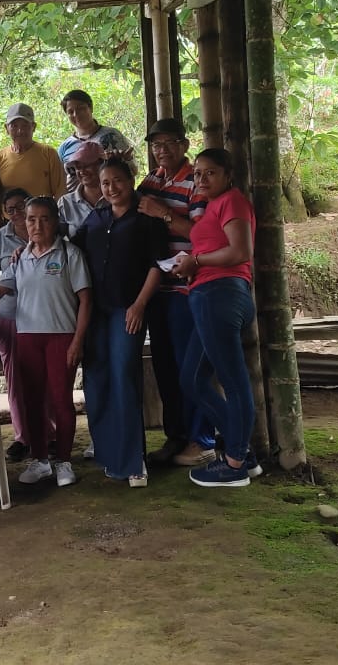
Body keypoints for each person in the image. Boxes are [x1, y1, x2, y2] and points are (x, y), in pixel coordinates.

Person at [0, 196, 91, 489]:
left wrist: (77, 341)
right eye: (31, 219)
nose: (37, 225)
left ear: (55, 222)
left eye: (44, 219)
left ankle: (63, 461)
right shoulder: (20, 258)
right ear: (23, 222)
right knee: (31, 401)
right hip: (27, 337)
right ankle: (40, 460)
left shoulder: (70, 254)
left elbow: (85, 300)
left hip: (61, 336)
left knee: (60, 400)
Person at [73, 158, 169, 488]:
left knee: (124, 376)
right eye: (105, 183)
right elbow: (71, 250)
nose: (112, 188)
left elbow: (158, 265)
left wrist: (139, 305)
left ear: (130, 180)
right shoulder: (96, 217)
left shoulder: (146, 218)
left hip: (127, 310)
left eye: (117, 180)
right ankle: (109, 455)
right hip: (94, 312)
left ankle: (133, 460)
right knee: (96, 379)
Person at [169, 148, 261, 489]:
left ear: (227, 174)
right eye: (197, 173)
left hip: (220, 293)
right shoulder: (212, 207)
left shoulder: (232, 201)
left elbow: (240, 251)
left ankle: (234, 463)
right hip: (208, 295)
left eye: (210, 172)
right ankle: (242, 451)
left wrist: (196, 261)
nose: (202, 179)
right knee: (192, 380)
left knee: (233, 380)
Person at [136, 118, 217, 468]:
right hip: (158, 288)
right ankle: (176, 436)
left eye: (169, 143)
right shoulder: (152, 181)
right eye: (156, 145)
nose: (162, 150)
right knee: (166, 368)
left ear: (184, 145)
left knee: (191, 369)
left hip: (187, 288)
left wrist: (165, 214)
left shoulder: (194, 182)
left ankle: (203, 440)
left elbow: (203, 235)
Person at [0, 187, 34, 462]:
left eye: (20, 206)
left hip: (42, 317)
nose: (16, 213)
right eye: (10, 209)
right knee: (15, 379)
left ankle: (48, 434)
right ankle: (23, 437)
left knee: (42, 376)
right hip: (8, 314)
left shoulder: (46, 227)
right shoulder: (2, 235)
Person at [57, 89, 136, 188]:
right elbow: (59, 183)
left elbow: (133, 171)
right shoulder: (65, 147)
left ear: (91, 108)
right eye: (70, 111)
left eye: (80, 109)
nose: (76, 114)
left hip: (110, 195)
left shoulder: (111, 136)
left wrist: (124, 160)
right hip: (73, 197)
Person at [0, 103, 66, 201]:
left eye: (25, 125)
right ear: (6, 128)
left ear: (33, 127)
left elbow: (60, 191)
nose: (20, 131)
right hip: (10, 211)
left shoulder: (48, 153)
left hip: (42, 211)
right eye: (14, 126)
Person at [58, 140, 108, 236]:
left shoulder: (115, 197)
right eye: (78, 167)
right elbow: (58, 238)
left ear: (102, 164)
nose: (82, 171)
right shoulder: (66, 202)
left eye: (87, 165)